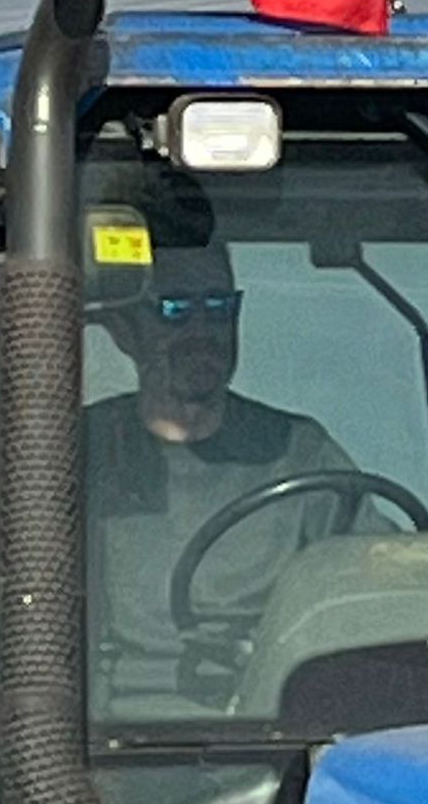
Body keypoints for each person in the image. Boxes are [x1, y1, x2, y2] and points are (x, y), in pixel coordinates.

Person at [86, 242, 374, 716]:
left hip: (271, 734)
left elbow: (371, 579)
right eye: (175, 309)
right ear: (124, 331)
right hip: (110, 747)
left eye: (219, 307)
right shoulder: (77, 455)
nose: (203, 330)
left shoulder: (298, 452)